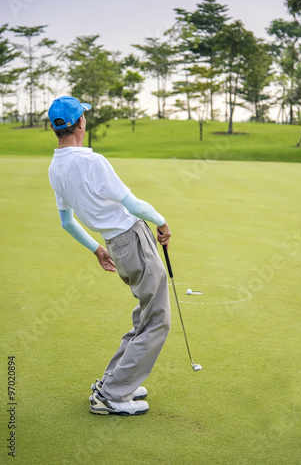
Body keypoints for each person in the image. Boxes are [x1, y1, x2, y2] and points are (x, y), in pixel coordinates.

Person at [48, 96, 172, 416]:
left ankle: (114, 382)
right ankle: (113, 395)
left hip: (116, 245)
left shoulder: (56, 167)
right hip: (133, 240)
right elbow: (134, 207)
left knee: (145, 315)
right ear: (80, 124)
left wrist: (96, 249)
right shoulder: (92, 161)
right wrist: (161, 221)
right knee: (157, 320)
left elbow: (66, 222)